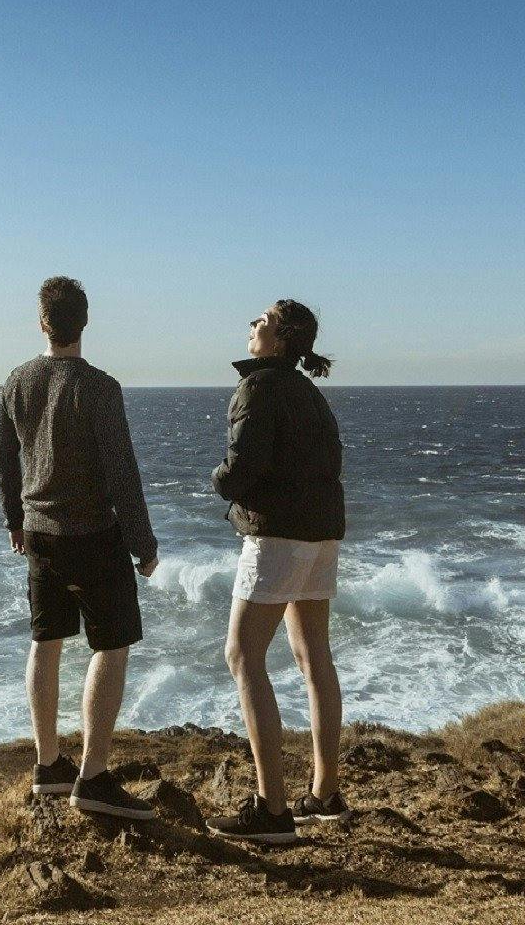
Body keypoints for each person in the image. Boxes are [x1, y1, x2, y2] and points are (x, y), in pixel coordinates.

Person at [0, 275, 160, 822]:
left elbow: (5, 461)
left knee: (46, 640)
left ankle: (48, 765)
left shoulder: (17, 382)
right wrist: (142, 542)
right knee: (109, 646)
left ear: (43, 322)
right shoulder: (100, 387)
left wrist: (15, 520)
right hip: (92, 534)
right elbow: (121, 471)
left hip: (39, 532)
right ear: (83, 323)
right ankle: (92, 777)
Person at [206, 299, 346, 845]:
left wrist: (218, 482)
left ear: (280, 339)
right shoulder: (312, 394)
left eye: (260, 321)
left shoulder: (259, 387)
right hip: (321, 532)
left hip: (280, 533)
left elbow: (243, 467)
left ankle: (271, 809)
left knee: (242, 654)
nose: (251, 325)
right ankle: (325, 794)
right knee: (315, 657)